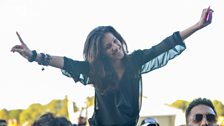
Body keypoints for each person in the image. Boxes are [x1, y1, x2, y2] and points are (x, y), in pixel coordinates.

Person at [11, 7, 213, 126]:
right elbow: (65, 62)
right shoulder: (94, 71)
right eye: (108, 47)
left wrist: (197, 25)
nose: (116, 47)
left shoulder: (135, 61)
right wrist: (33, 56)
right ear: (101, 54)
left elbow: (165, 44)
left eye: (116, 41)